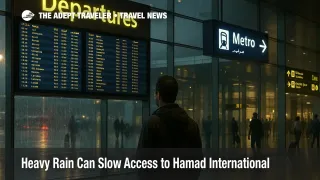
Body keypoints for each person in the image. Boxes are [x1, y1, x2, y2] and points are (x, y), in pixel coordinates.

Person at [137, 75, 203, 180]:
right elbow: (197, 162)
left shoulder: (152, 123)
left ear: (158, 95)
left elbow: (143, 164)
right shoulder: (192, 125)